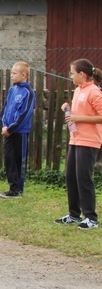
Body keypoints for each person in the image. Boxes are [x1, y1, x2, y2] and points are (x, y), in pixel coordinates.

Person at [56, 59, 102, 230]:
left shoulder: (94, 92)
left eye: (72, 73)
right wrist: (68, 110)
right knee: (71, 177)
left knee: (84, 178)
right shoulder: (78, 91)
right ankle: (74, 215)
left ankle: (91, 218)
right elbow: (78, 115)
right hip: (75, 139)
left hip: (89, 141)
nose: (71, 76)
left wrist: (78, 118)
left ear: (82, 74)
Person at [0, 62, 36, 198]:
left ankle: (18, 189)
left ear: (23, 75)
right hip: (8, 131)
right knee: (9, 158)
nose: (12, 76)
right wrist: (4, 125)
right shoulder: (12, 90)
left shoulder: (29, 92)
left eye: (14, 73)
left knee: (19, 159)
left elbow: (25, 114)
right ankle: (12, 187)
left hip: (20, 132)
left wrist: (12, 128)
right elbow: (5, 109)